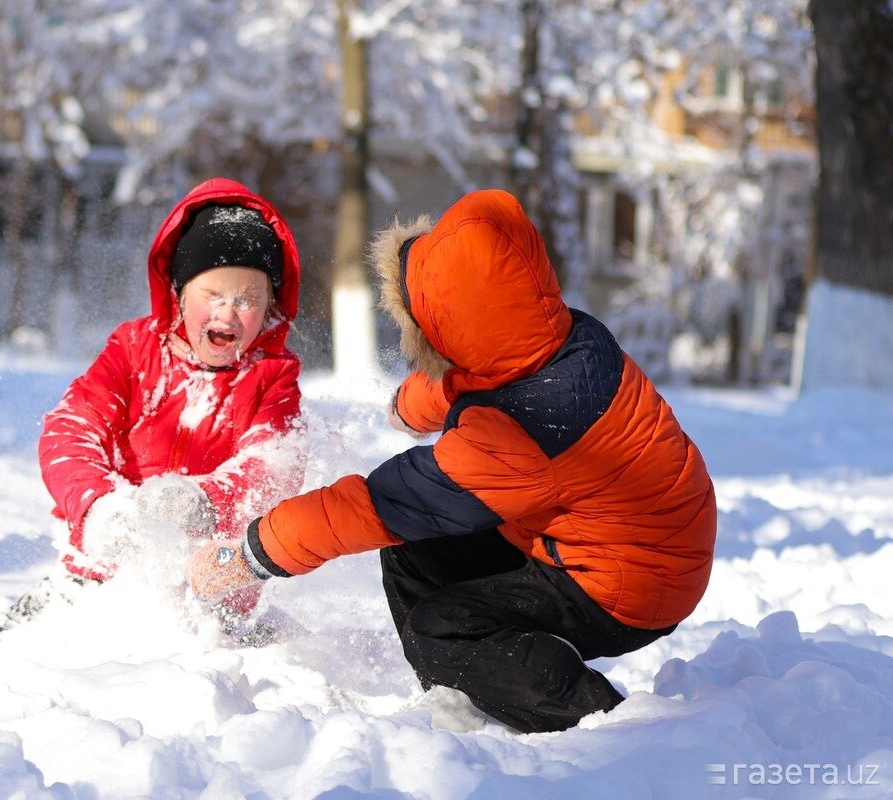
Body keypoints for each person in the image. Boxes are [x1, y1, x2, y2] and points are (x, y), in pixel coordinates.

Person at [187, 189, 716, 733]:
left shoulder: (515, 437)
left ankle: (598, 720)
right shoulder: (566, 336)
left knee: (442, 624)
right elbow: (489, 373)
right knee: (415, 554)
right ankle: (463, 691)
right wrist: (413, 404)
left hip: (633, 585)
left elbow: (380, 505)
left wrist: (252, 552)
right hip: (621, 537)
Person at [0, 177, 305, 652]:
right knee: (8, 653)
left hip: (213, 590)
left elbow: (275, 465)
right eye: (213, 293)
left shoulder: (273, 376)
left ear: (271, 304)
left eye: (249, 299)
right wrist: (97, 506)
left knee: (234, 669)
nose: (229, 313)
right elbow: (71, 428)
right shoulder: (133, 350)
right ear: (178, 292)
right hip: (107, 568)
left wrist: (205, 499)